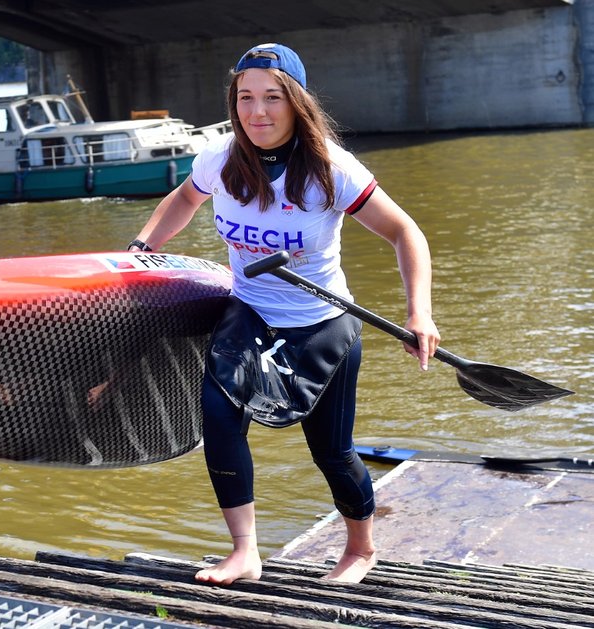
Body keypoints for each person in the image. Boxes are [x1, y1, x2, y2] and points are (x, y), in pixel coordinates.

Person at [126, 43, 440, 585]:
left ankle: (361, 549)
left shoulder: (331, 170)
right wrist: (141, 247)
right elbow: (183, 199)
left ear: (296, 102)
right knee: (221, 420)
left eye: (272, 98)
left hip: (322, 321)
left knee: (332, 451)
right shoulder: (220, 159)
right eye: (245, 98)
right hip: (249, 313)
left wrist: (421, 313)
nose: (257, 112)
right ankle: (244, 552)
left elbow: (404, 232)